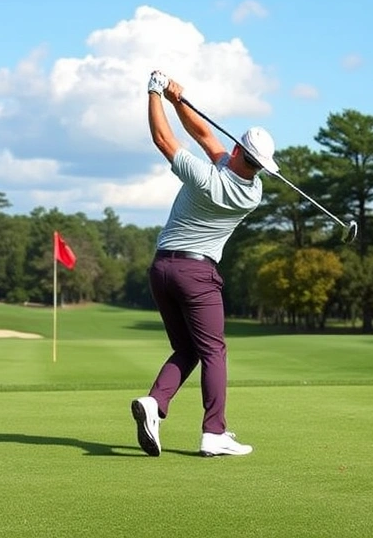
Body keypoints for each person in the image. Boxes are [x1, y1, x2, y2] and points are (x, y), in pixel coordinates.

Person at [131, 70, 276, 458]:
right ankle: (214, 433)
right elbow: (205, 136)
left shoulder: (206, 178)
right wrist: (181, 100)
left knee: (190, 349)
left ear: (237, 152)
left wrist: (155, 93)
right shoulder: (253, 191)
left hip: (162, 269)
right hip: (197, 274)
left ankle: (154, 404)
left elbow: (166, 140)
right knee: (213, 350)